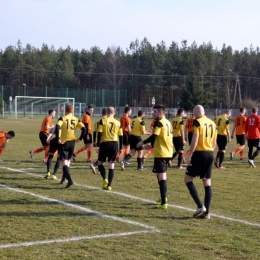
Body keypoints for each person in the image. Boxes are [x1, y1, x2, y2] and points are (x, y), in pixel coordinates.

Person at [136, 104, 173, 209]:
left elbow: (155, 136)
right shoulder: (167, 122)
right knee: (158, 174)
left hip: (161, 153)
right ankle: (163, 197)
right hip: (167, 151)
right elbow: (162, 137)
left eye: (155, 112)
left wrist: (142, 142)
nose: (153, 113)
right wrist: (151, 145)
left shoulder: (159, 123)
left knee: (162, 177)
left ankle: (164, 203)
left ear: (160, 113)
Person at [185, 105, 217, 219]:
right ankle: (207, 213)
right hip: (210, 153)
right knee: (207, 183)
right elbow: (214, 142)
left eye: (194, 113)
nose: (194, 115)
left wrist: (190, 155)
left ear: (196, 112)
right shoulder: (213, 123)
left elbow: (195, 139)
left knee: (188, 179)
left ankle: (200, 206)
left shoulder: (197, 122)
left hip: (200, 153)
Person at [55, 104, 86, 188]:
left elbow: (57, 127)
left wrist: (58, 138)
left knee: (64, 162)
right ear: (73, 111)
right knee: (67, 161)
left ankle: (69, 180)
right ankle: (63, 178)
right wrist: (80, 138)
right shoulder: (76, 119)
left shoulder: (62, 118)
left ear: (65, 110)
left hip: (64, 142)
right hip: (72, 143)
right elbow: (84, 129)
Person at [96, 106, 123, 190]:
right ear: (114, 113)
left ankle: (105, 179)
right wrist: (121, 148)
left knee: (100, 163)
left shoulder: (102, 121)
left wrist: (98, 145)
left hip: (105, 143)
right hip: (114, 144)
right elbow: (121, 136)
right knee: (111, 165)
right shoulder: (118, 123)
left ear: (107, 113)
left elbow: (99, 133)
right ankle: (110, 185)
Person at [90, 108, 108, 174]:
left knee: (102, 156)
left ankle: (99, 169)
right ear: (107, 113)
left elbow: (94, 132)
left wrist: (94, 141)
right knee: (104, 156)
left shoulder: (97, 120)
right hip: (104, 139)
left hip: (98, 139)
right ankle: (94, 165)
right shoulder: (106, 120)